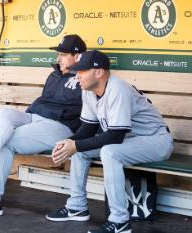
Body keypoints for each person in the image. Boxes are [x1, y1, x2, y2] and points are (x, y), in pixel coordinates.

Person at [46, 50, 174, 233]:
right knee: (80, 151)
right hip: (130, 141)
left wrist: (76, 145)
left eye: (82, 71)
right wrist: (68, 143)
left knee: (109, 152)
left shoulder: (118, 88)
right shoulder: (89, 90)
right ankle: (76, 207)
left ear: (99, 72)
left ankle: (119, 221)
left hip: (155, 140)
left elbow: (115, 136)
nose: (77, 76)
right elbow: (88, 128)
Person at [0, 34, 87, 219]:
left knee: (5, 142)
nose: (58, 58)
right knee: (5, 113)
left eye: (63, 54)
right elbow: (44, 102)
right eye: (58, 54)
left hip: (59, 126)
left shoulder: (84, 77)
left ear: (77, 56)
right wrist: (25, 117)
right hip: (34, 117)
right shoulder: (54, 75)